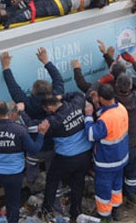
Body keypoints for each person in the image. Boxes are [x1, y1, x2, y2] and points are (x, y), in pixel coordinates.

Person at [0, 48, 62, 194]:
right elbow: (58, 79)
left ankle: (34, 189)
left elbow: (14, 89)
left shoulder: (26, 104)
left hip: (35, 148)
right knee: (53, 171)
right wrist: (46, 61)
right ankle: (56, 194)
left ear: (33, 92)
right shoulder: (56, 98)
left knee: (31, 168)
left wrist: (6, 67)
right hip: (53, 146)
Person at [38, 92, 93, 221]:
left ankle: (46, 210)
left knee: (52, 179)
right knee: (78, 182)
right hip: (85, 154)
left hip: (66, 158)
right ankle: (75, 212)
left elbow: (35, 127)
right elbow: (78, 94)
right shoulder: (77, 104)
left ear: (50, 108)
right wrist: (62, 96)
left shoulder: (54, 121)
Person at [85, 84, 129, 220]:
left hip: (107, 161)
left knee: (103, 188)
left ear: (102, 99)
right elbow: (107, 118)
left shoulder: (105, 119)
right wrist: (97, 105)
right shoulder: (121, 108)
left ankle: (105, 215)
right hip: (121, 157)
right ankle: (117, 209)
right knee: (116, 186)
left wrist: (88, 116)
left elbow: (92, 134)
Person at [113, 56, 136, 203]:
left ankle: (118, 194)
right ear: (130, 86)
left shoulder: (113, 100)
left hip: (118, 142)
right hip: (134, 141)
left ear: (116, 86)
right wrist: (134, 61)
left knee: (118, 170)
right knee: (133, 170)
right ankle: (132, 195)